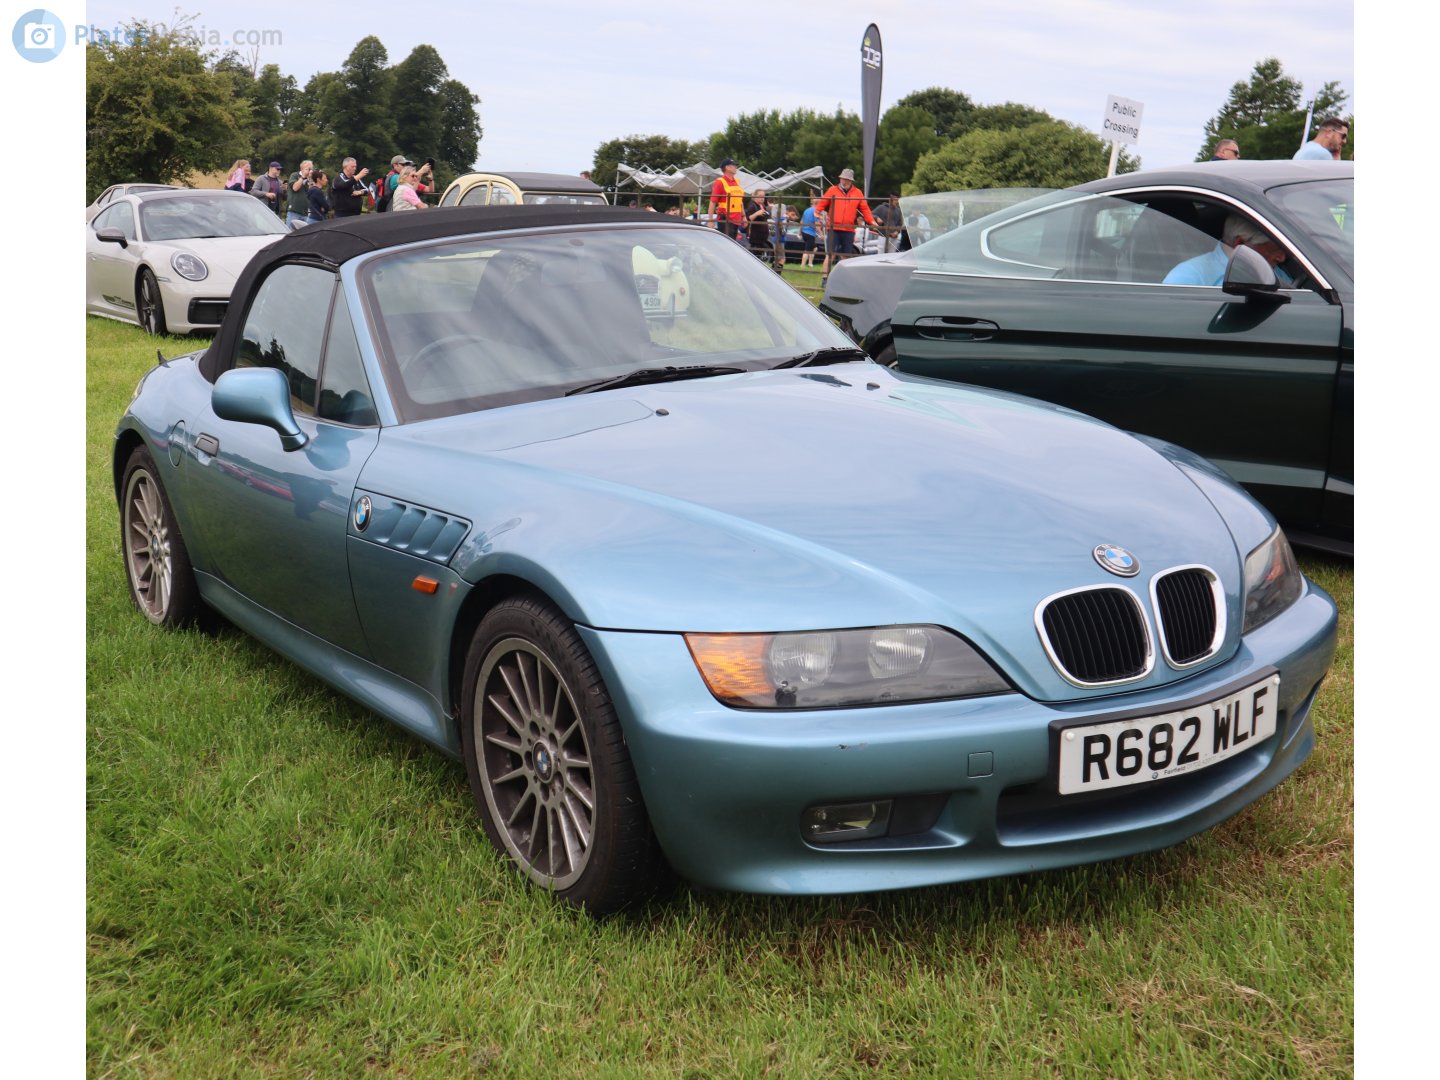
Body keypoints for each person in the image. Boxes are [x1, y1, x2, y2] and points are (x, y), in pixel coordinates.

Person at [1162, 214, 1292, 287]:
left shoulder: (1273, 271)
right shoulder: (1189, 277)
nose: (1282, 258)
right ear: (1240, 244)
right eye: (1274, 249)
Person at [815, 168, 877, 279]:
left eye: (847, 179)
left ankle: (842, 279)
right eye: (843, 179)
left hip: (848, 229)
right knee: (830, 255)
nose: (844, 181)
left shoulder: (858, 193)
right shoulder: (832, 190)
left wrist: (871, 221)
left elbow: (865, 209)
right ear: (840, 178)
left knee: (846, 257)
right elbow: (823, 202)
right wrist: (817, 211)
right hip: (834, 227)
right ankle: (825, 278)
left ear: (851, 181)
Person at [708, 158, 746, 239]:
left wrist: (744, 216)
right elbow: (712, 202)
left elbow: (740, 201)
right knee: (726, 243)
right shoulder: (720, 182)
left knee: (733, 243)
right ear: (727, 167)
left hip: (736, 219)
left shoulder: (737, 181)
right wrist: (710, 220)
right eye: (734, 165)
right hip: (725, 218)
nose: (736, 167)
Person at [744, 188, 774, 264]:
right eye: (760, 196)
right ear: (754, 196)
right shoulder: (752, 206)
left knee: (760, 253)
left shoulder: (762, 206)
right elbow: (749, 218)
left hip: (762, 235)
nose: (762, 198)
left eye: (763, 196)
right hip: (755, 236)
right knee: (754, 255)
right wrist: (757, 213)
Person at [286, 160, 313, 230]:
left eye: (311, 169)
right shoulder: (294, 175)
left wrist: (310, 179)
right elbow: (295, 188)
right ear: (301, 169)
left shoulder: (310, 179)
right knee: (290, 233)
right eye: (308, 169)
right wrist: (303, 176)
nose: (309, 170)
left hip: (306, 213)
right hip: (294, 211)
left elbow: (311, 192)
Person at [799, 197, 821, 268]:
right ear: (818, 203)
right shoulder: (816, 211)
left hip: (804, 232)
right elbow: (817, 225)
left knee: (814, 248)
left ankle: (810, 263)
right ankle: (802, 266)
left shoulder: (806, 210)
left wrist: (800, 232)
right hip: (810, 233)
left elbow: (801, 222)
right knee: (807, 250)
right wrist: (821, 234)